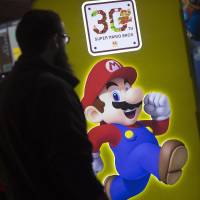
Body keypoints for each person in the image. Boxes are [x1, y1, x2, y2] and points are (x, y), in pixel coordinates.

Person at [0, 9, 108, 200]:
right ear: (54, 41)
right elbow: (72, 162)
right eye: (64, 39)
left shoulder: (6, 88)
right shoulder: (53, 89)